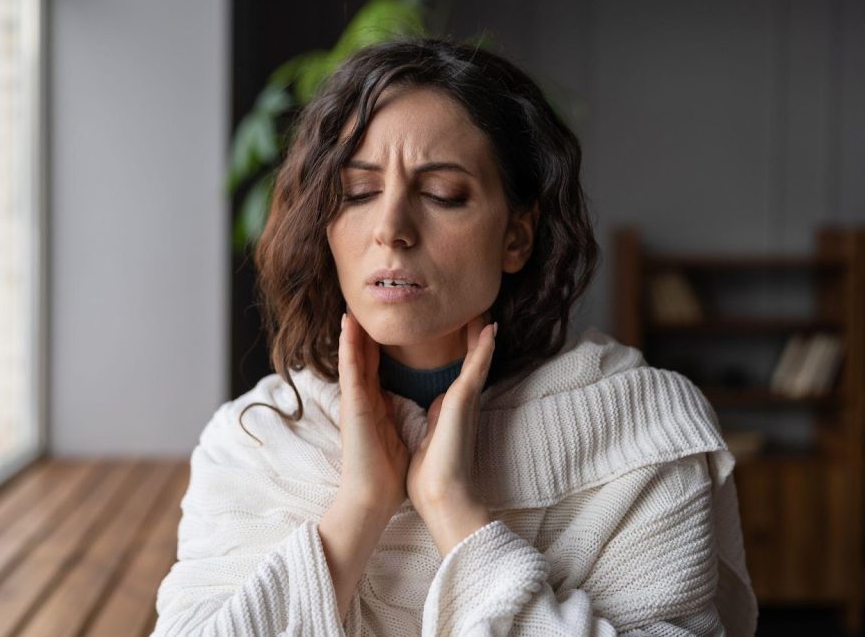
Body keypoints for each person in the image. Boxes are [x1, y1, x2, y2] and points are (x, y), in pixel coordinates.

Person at [151, 37, 758, 635]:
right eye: (358, 193)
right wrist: (359, 510)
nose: (390, 229)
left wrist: (454, 511)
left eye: (442, 195)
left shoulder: (644, 428)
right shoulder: (255, 440)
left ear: (516, 237)